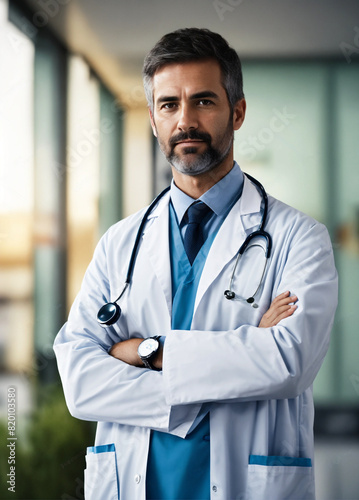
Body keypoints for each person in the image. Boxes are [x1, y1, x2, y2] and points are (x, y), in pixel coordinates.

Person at [54, 28, 338, 500]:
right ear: (152, 119)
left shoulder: (299, 238)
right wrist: (239, 360)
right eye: (169, 105)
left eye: (203, 101)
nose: (185, 121)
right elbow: (80, 382)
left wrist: (147, 351)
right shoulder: (118, 244)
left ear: (238, 111)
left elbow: (288, 362)